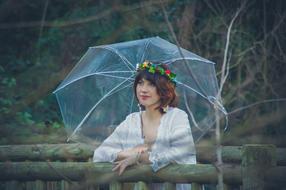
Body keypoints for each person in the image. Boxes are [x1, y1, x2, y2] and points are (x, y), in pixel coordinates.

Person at [93, 60, 196, 190]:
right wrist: (130, 153)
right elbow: (100, 153)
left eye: (151, 84)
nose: (143, 90)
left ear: (163, 89)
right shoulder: (132, 121)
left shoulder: (177, 117)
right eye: (140, 83)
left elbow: (180, 152)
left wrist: (140, 158)